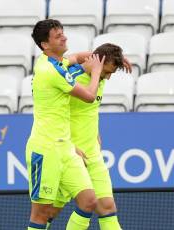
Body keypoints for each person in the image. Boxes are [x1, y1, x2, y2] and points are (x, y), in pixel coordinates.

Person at [27, 18, 107, 230]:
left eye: (63, 32)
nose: (64, 37)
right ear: (45, 45)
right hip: (46, 149)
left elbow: (79, 56)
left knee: (89, 201)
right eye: (58, 35)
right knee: (41, 214)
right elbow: (90, 96)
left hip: (66, 148)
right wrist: (97, 71)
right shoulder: (52, 71)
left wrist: (109, 55)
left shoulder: (55, 62)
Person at [69, 43, 125, 229]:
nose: (107, 78)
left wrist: (96, 134)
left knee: (107, 206)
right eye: (106, 72)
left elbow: (88, 111)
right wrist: (70, 147)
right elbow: (54, 116)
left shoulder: (99, 78)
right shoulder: (69, 78)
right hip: (68, 154)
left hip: (92, 153)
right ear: (97, 64)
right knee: (47, 213)